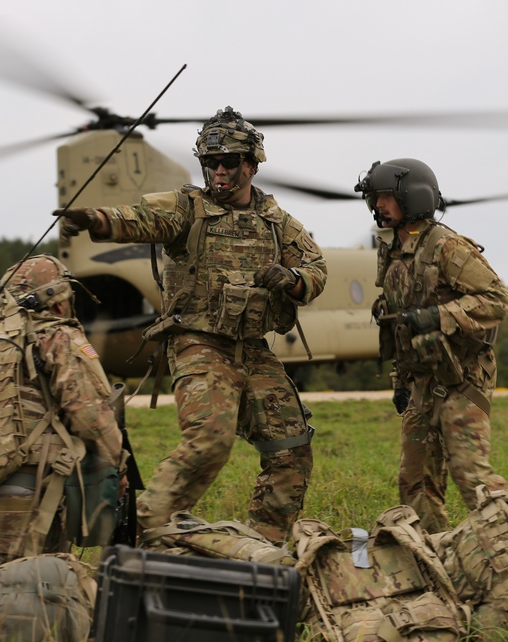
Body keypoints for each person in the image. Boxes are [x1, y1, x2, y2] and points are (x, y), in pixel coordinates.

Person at [54, 107, 327, 544]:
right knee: (211, 440)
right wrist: (94, 220)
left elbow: (316, 269)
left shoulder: (278, 224)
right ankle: (137, 536)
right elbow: (140, 217)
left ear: (252, 165)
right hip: (198, 343)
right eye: (212, 162)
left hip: (253, 348)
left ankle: (266, 543)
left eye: (230, 162)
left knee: (292, 445)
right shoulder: (187, 209)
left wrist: (293, 280)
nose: (219, 171)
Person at [355, 158, 508, 533]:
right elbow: (398, 324)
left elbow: (498, 299)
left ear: (411, 197)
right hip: (421, 381)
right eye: (374, 198)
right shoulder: (391, 251)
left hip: (462, 378)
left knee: (470, 473)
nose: (378, 205)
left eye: (385, 197)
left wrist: (440, 316)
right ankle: (434, 554)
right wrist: (400, 382)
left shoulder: (446, 246)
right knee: (414, 483)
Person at [0, 254, 125, 564]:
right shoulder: (59, 337)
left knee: (9, 582)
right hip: (36, 490)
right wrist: (117, 467)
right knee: (41, 593)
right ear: (58, 302)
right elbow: (90, 417)